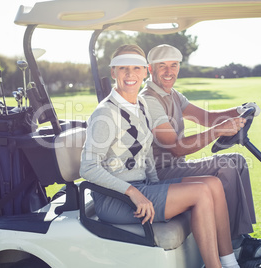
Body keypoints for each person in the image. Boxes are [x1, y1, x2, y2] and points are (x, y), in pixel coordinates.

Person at [80, 44, 240, 268]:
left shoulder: (141, 105)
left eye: (136, 68)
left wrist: (156, 187)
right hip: (116, 198)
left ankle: (230, 261)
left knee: (213, 184)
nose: (130, 74)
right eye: (123, 68)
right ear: (113, 73)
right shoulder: (106, 112)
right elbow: (87, 168)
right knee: (202, 191)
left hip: (142, 187)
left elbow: (145, 153)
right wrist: (134, 193)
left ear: (145, 72)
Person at [139, 44, 261, 263]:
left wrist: (239, 110)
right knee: (228, 165)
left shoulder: (173, 95)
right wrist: (218, 131)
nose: (169, 72)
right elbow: (176, 147)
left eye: (174, 65)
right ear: (150, 69)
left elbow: (205, 117)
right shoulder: (149, 99)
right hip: (160, 174)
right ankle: (236, 246)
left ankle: (240, 239)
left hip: (175, 167)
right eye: (162, 66)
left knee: (236, 161)